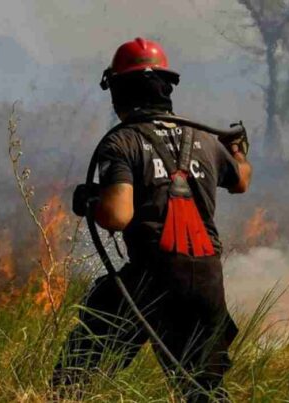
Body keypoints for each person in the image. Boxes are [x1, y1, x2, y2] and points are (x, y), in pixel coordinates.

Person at [52, 37, 252, 402]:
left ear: (118, 92)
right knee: (203, 391)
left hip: (151, 279)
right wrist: (238, 151)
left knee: (75, 375)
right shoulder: (205, 140)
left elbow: (117, 215)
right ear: (166, 87)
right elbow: (240, 181)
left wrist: (90, 200)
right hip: (207, 280)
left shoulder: (122, 142)